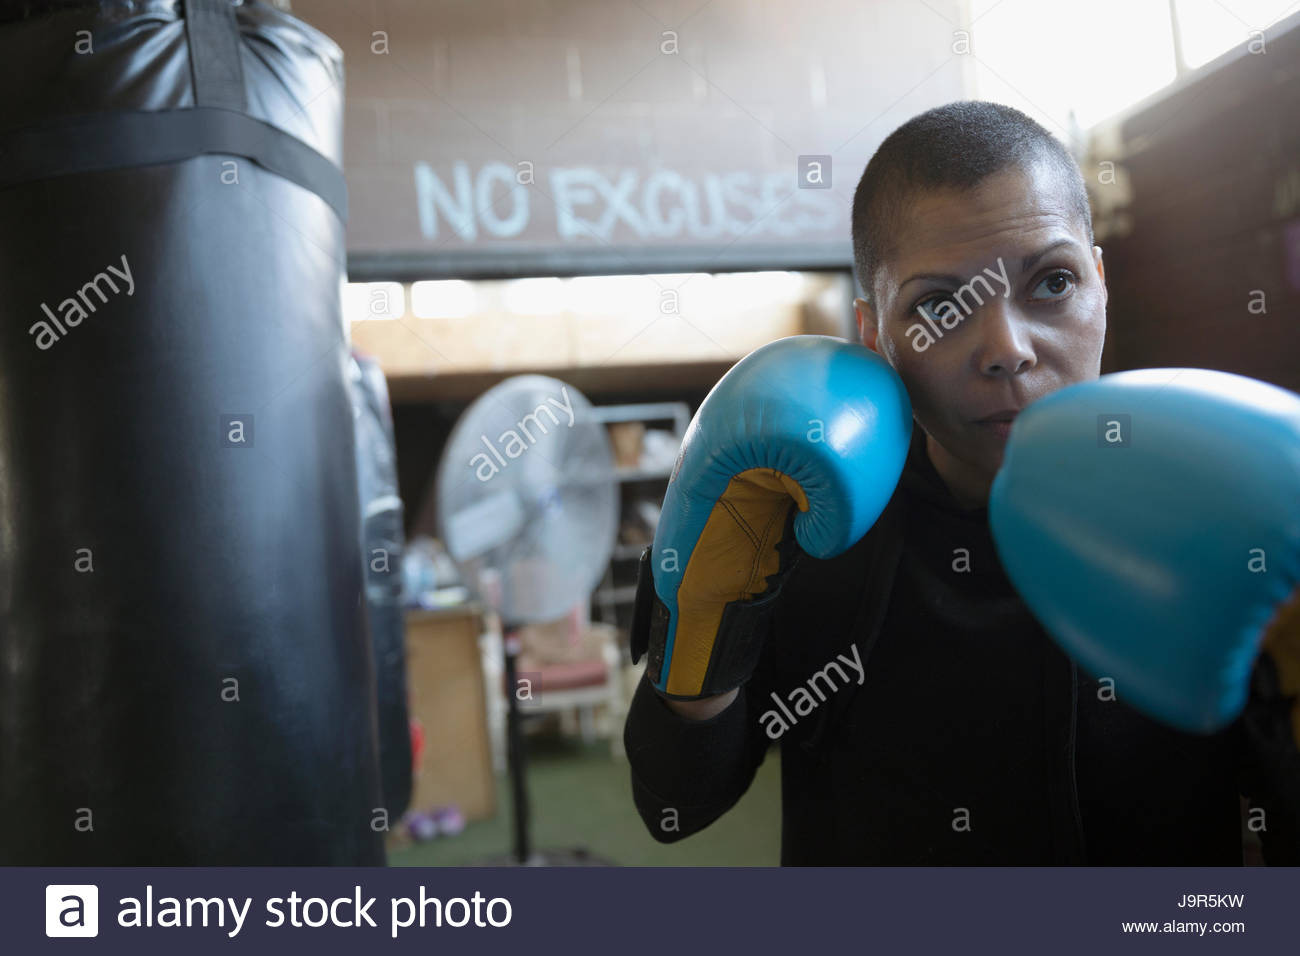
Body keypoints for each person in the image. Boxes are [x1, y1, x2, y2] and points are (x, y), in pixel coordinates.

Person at [621, 100, 1299, 865]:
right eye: (941, 307)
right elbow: (675, 806)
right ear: (876, 334)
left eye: (1052, 282)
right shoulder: (804, 517)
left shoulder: (1210, 501)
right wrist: (703, 628)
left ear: (1101, 284)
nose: (1006, 348)